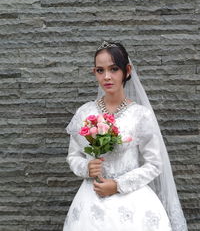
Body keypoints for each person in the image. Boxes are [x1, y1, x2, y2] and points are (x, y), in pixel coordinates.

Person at [63, 41, 188, 231]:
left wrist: (118, 185)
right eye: (100, 70)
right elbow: (73, 156)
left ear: (127, 70)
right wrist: (87, 167)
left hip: (133, 202)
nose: (107, 76)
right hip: (90, 199)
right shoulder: (85, 112)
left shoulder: (140, 115)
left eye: (113, 69)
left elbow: (154, 164)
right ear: (94, 72)